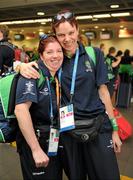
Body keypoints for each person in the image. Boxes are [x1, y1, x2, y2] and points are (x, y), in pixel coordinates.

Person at [18, 10, 122, 180]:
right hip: (69, 132)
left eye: (71, 33)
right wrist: (19, 66)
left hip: (98, 125)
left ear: (78, 29)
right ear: (55, 35)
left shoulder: (94, 54)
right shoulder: (56, 58)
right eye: (61, 35)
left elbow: (104, 93)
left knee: (107, 175)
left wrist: (114, 129)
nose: (67, 39)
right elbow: (36, 66)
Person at [14, 34, 63, 180]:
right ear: (41, 55)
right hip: (35, 142)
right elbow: (21, 110)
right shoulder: (33, 73)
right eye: (49, 52)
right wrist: (36, 150)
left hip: (52, 140)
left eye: (59, 51)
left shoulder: (56, 75)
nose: (55, 56)